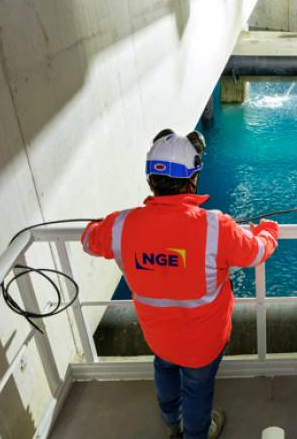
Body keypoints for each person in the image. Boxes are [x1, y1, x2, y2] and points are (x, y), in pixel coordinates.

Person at [81, 128, 280, 439]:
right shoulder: (216, 226)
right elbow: (256, 252)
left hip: (158, 335)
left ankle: (171, 423)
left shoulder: (121, 225)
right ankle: (196, 434)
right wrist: (268, 230)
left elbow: (89, 240)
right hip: (203, 343)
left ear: (151, 180)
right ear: (193, 178)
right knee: (198, 390)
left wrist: (102, 223)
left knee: (164, 369)